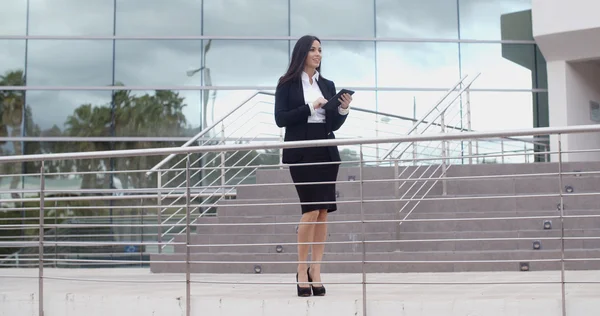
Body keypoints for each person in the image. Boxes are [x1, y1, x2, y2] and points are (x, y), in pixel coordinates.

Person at [274, 35, 353, 297]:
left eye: (320, 50)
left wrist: (341, 110)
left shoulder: (327, 84)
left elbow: (332, 124)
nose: (318, 54)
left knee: (322, 213)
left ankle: (315, 270)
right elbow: (280, 119)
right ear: (302, 54)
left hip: (326, 149)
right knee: (310, 210)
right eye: (313, 50)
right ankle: (300, 269)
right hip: (301, 150)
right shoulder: (287, 84)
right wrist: (310, 106)